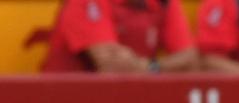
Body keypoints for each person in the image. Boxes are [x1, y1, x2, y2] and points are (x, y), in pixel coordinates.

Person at [40, 0, 200, 72]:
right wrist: (159, 67)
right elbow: (113, 65)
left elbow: (190, 59)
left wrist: (150, 67)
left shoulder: (163, 2)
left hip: (129, 101)